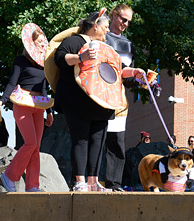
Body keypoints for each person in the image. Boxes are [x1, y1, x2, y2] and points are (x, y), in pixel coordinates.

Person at [54, 10, 145, 192]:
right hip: (77, 101)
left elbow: (119, 68)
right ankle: (80, 181)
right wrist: (82, 57)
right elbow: (59, 58)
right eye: (104, 27)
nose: (106, 32)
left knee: (97, 142)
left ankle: (93, 182)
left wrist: (135, 72)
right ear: (95, 26)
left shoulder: (106, 48)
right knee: (81, 140)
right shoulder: (75, 41)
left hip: (101, 103)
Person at [0, 24, 54, 192]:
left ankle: (32, 185)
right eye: (40, 41)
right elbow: (12, 83)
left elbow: (44, 89)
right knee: (30, 143)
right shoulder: (20, 61)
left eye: (45, 41)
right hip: (22, 103)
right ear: (31, 43)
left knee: (36, 147)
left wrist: (49, 112)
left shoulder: (45, 63)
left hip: (38, 106)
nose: (44, 44)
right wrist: (2, 100)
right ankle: (9, 176)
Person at [104, 4, 138, 192]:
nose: (125, 24)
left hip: (118, 99)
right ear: (114, 15)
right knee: (94, 140)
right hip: (99, 95)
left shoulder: (128, 45)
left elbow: (128, 78)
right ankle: (84, 181)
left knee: (117, 141)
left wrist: (139, 78)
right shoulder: (99, 36)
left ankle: (114, 183)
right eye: (123, 19)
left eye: (128, 22)